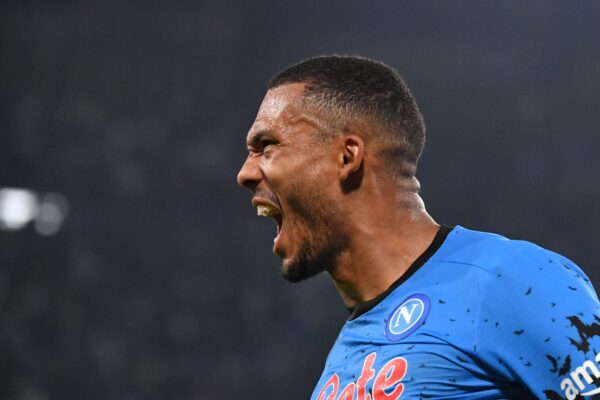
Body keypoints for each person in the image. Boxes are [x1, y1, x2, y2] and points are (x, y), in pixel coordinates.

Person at [236, 55, 600, 400]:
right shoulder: (340, 363)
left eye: (267, 146)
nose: (245, 173)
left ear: (346, 157)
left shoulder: (506, 281)